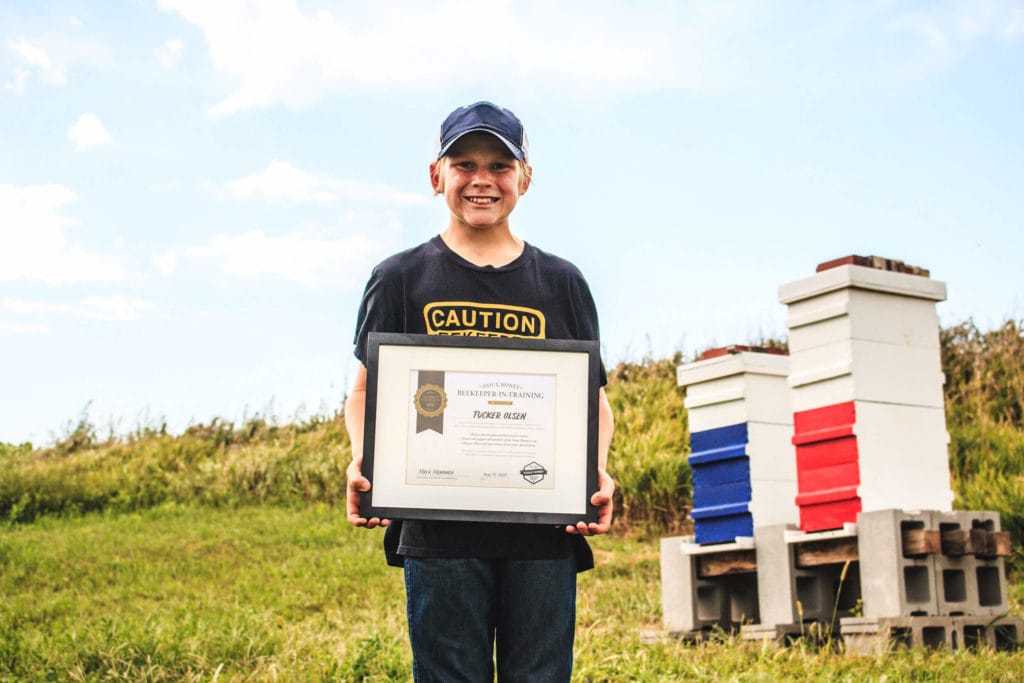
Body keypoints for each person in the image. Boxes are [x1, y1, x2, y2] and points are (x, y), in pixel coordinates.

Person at [344, 101, 615, 682]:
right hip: (439, 534)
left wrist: (596, 471)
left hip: (544, 533)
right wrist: (363, 458)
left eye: (500, 164)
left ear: (526, 177)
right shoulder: (400, 277)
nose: (482, 180)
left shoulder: (562, 282)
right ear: (436, 175)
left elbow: (592, 403)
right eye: (464, 163)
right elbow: (366, 391)